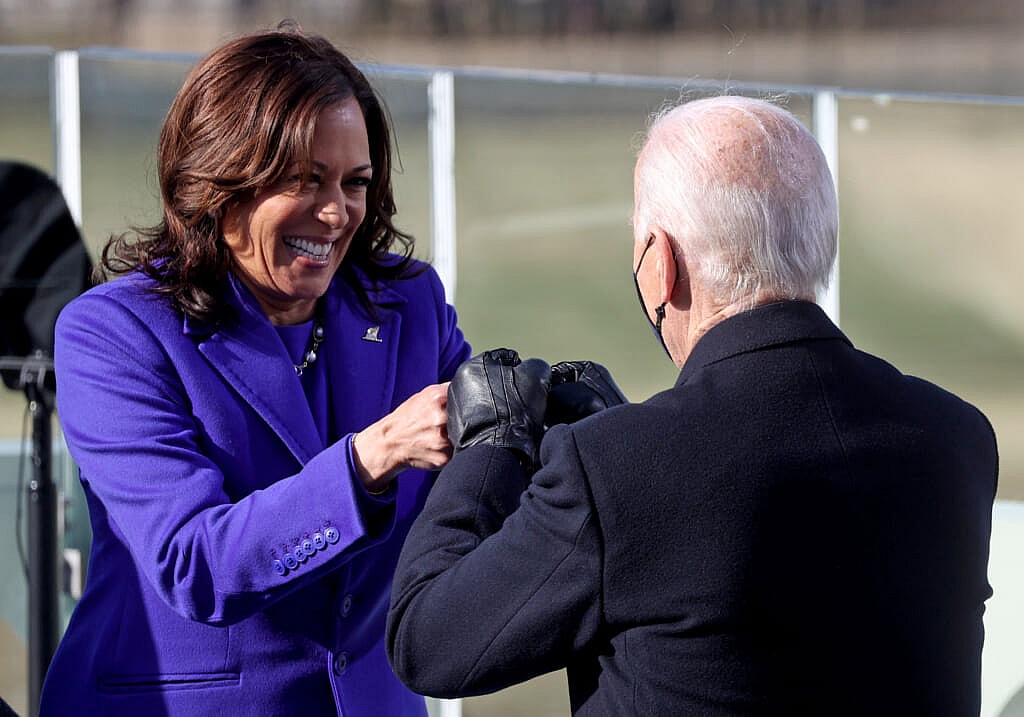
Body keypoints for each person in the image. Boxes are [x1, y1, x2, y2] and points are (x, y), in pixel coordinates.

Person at [386, 95, 999, 715]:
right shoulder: (957, 438)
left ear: (660, 264)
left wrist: (491, 446)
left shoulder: (615, 471)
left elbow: (427, 642)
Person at [40, 25, 470, 716]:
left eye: (354, 182)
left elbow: (477, 488)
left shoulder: (409, 305)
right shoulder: (112, 334)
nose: (336, 213)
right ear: (219, 182)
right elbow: (194, 564)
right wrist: (368, 460)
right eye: (305, 180)